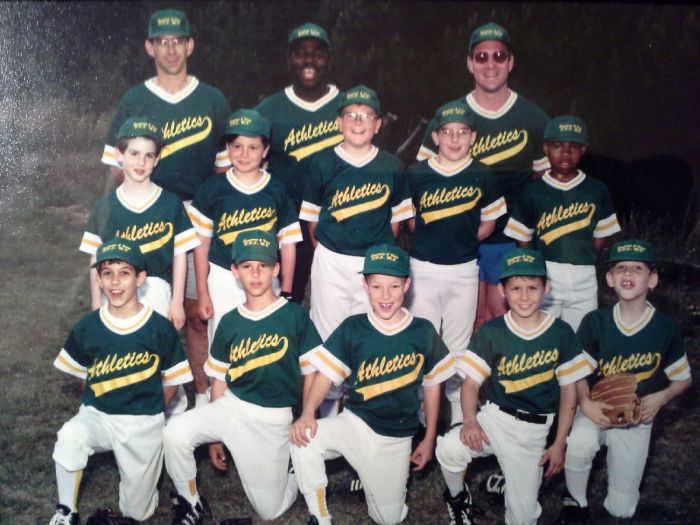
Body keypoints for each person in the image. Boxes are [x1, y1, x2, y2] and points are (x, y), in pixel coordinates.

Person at [101, 8, 231, 407]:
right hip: (145, 210)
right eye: (162, 42)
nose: (170, 49)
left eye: (178, 41)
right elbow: (115, 167)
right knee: (141, 304)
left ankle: (202, 398)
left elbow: (225, 170)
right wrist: (121, 211)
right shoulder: (134, 99)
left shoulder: (212, 99)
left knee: (195, 312)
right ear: (149, 47)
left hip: (196, 214)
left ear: (190, 45)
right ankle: (142, 395)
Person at [163, 230, 321, 524]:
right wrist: (215, 436)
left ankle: (295, 469)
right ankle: (191, 501)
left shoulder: (294, 316)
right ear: (235, 271)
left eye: (263, 265)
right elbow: (220, 380)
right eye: (247, 266)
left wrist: (307, 413)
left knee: (270, 510)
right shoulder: (230, 321)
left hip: (273, 418)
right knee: (175, 433)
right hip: (232, 407)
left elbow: (313, 372)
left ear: (276, 268)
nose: (255, 274)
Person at [290, 243, 454, 525]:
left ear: (407, 285)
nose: (385, 295)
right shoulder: (354, 327)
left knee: (387, 518)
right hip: (356, 424)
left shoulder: (422, 331)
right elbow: (325, 375)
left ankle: (378, 485)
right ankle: (320, 516)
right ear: (365, 285)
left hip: (395, 437)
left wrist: (429, 438)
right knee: (304, 439)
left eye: (394, 286)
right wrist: (307, 413)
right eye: (377, 286)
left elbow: (432, 386)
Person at [435, 248, 592, 525]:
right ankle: (458, 499)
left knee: (522, 518)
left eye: (533, 287)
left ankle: (510, 483)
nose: (524, 296)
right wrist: (470, 420)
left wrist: (559, 443)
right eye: (516, 288)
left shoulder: (560, 332)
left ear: (546, 287)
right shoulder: (493, 331)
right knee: (449, 448)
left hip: (533, 432)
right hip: (495, 419)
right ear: (502, 290)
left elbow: (570, 393)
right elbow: (471, 384)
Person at [50, 238, 192, 525]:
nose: (115, 282)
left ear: (140, 278)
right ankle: (66, 512)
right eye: (107, 273)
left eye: (124, 273)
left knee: (137, 513)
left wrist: (152, 413)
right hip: (100, 415)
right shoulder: (88, 326)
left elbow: (173, 381)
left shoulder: (159, 327)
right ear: (99, 279)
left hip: (142, 421)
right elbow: (80, 375)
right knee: (70, 436)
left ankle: (145, 486)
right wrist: (98, 403)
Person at [417, 22, 549, 329]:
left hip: (509, 240)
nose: (491, 64)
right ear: (470, 63)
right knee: (465, 321)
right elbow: (423, 179)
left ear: (510, 62)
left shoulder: (534, 117)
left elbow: (545, 185)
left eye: (499, 56)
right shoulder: (449, 117)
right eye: (482, 56)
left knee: (501, 321)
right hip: (460, 237)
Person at [555, 240, 692, 524]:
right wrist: (585, 402)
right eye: (620, 268)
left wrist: (661, 398)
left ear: (652, 279)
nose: (627, 274)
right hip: (598, 408)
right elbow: (577, 371)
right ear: (609, 278)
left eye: (637, 268)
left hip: (637, 416)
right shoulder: (596, 321)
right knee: (580, 442)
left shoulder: (666, 328)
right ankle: (575, 503)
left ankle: (618, 499)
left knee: (622, 509)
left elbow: (683, 379)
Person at [299, 85, 413, 416]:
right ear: (339, 122)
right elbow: (311, 220)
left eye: (366, 116)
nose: (358, 121)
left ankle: (362, 415)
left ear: (378, 124)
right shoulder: (322, 162)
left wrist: (377, 258)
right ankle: (324, 418)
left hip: (374, 264)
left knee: (370, 333)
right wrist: (331, 250)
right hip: (332, 260)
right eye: (351, 115)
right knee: (327, 336)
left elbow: (396, 221)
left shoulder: (392, 165)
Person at [407, 100, 506, 425]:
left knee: (457, 347)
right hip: (423, 269)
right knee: (422, 342)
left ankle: (458, 419)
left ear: (473, 137)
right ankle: (421, 418)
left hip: (463, 271)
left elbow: (489, 223)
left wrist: (461, 241)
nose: (454, 139)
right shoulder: (417, 173)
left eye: (462, 132)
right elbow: (411, 222)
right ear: (435, 137)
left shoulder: (483, 174)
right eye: (447, 132)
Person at [188, 109, 302, 353]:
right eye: (237, 146)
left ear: (265, 150)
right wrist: (202, 292)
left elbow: (288, 244)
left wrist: (287, 291)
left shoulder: (277, 189)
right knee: (224, 341)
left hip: (266, 274)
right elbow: (201, 245)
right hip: (223, 275)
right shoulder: (212, 189)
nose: (244, 154)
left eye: (253, 147)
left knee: (264, 342)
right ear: (227, 148)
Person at [504, 116, 621, 331]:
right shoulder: (533, 190)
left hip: (584, 275)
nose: (565, 153)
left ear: (583, 150)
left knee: (581, 338)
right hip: (546, 273)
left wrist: (583, 255)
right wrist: (535, 268)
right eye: (557, 146)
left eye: (573, 147)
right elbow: (522, 236)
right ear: (546, 149)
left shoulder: (596, 189)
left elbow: (602, 234)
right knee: (541, 335)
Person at [256, 22, 343, 303]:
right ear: (289, 60)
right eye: (300, 53)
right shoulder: (268, 110)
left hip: (337, 219)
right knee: (283, 301)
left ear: (328, 60)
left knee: (338, 302)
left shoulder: (348, 108)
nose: (309, 60)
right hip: (286, 221)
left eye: (317, 53)